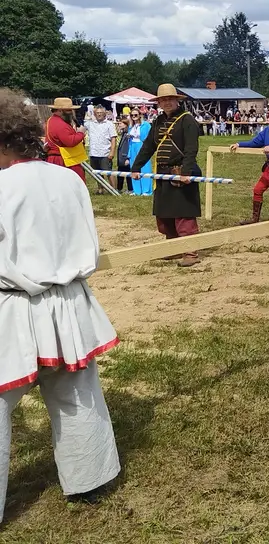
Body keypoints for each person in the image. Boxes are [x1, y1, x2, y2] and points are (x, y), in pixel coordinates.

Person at [0, 89, 121, 520]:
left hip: (13, 308)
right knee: (76, 393)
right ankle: (90, 479)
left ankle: (89, 477)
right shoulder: (69, 179)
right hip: (68, 301)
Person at [130, 84, 202, 267]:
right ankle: (173, 247)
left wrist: (185, 172)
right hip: (162, 174)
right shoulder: (158, 121)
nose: (167, 102)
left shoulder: (187, 120)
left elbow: (191, 148)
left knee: (184, 215)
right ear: (159, 103)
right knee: (165, 214)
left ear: (177, 100)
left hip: (180, 173)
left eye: (170, 99)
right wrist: (136, 166)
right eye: (163, 100)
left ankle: (190, 251)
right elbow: (148, 147)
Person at [43, 97, 88, 181]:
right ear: (60, 110)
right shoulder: (60, 124)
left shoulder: (52, 120)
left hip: (60, 159)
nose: (71, 112)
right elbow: (70, 141)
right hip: (63, 161)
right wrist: (81, 133)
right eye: (68, 110)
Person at [84, 105, 118, 193]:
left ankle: (114, 189)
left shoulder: (109, 124)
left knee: (108, 172)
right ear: (94, 114)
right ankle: (100, 189)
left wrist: (112, 152)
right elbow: (81, 126)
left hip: (105, 153)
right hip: (94, 152)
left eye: (101, 113)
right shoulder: (90, 123)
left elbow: (113, 139)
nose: (99, 114)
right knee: (97, 173)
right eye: (97, 113)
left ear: (104, 114)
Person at [126, 108, 153, 196]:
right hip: (133, 147)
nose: (134, 117)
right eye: (132, 115)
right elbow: (129, 142)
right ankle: (137, 190)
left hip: (142, 147)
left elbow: (148, 138)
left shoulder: (146, 125)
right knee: (134, 167)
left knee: (144, 167)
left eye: (136, 115)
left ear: (140, 115)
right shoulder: (131, 126)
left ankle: (146, 190)